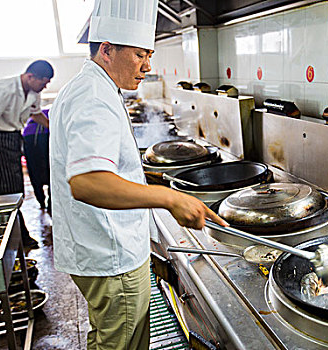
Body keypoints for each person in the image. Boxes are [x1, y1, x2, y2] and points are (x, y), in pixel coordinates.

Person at [49, 1, 227, 349]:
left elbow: (104, 164)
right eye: (140, 55)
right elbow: (87, 182)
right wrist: (169, 198)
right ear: (107, 49)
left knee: (107, 337)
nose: (147, 67)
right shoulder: (95, 97)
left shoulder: (89, 86)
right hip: (110, 255)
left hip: (95, 247)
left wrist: (152, 180)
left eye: (150, 55)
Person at [0, 60, 53, 249]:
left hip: (13, 137)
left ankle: (19, 235)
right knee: (8, 191)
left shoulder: (33, 93)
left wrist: (54, 129)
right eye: (43, 82)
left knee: (16, 189)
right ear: (30, 76)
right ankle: (17, 239)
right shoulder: (4, 89)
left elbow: (36, 115)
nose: (45, 86)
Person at [23, 109, 51, 212]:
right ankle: (50, 204)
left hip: (29, 136)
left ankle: (41, 201)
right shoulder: (51, 113)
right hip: (46, 135)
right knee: (50, 170)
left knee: (34, 172)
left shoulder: (30, 125)